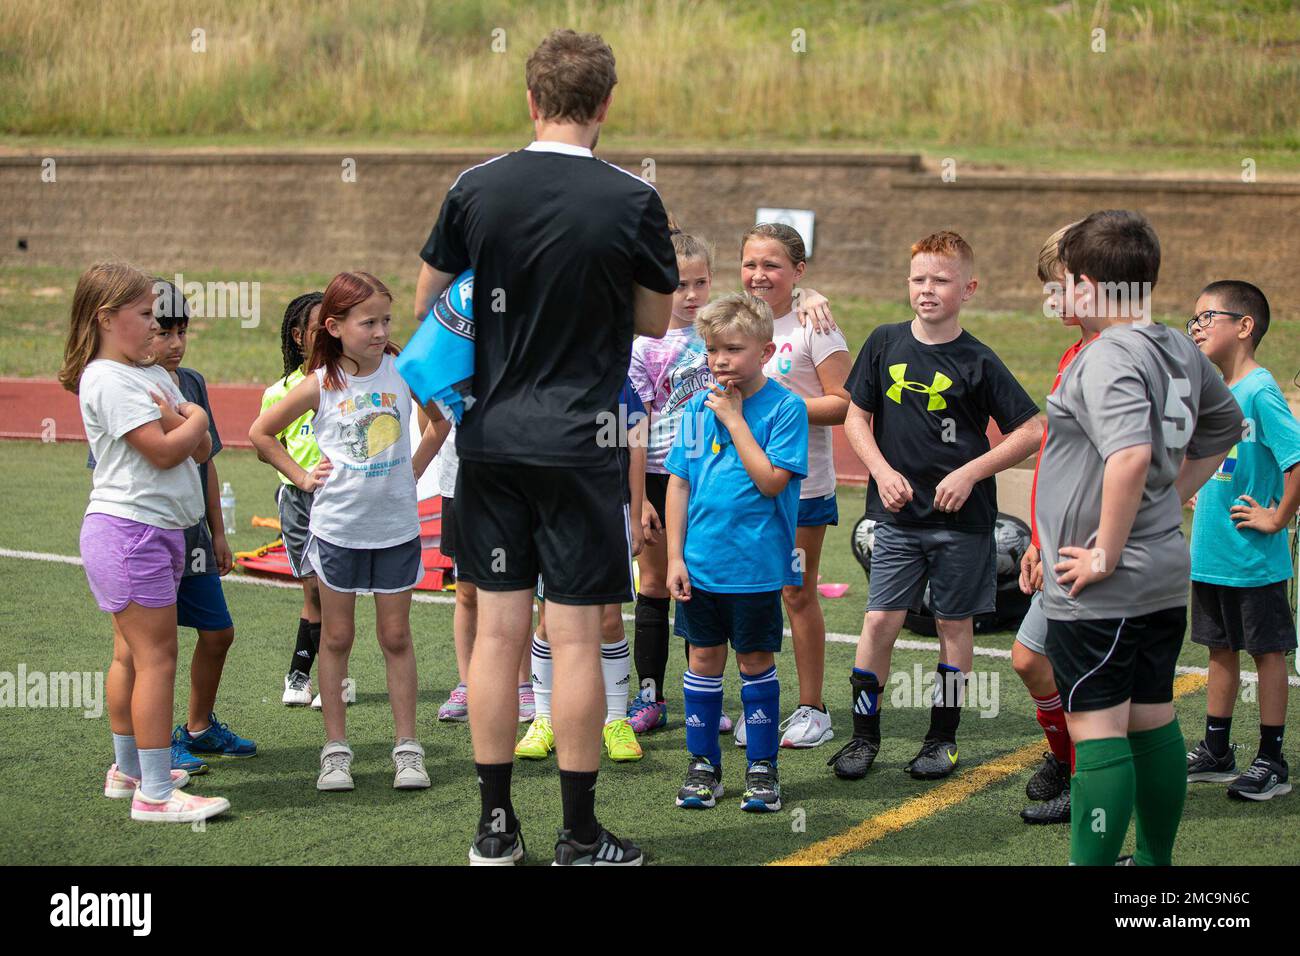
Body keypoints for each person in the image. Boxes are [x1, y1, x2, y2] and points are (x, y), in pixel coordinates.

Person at [414, 29, 676, 865]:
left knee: (496, 636)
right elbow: (655, 321)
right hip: (583, 441)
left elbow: (431, 308)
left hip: (490, 439)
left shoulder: (476, 186)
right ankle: (578, 833)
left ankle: (494, 828)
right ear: (605, 106)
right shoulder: (634, 199)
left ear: (530, 101)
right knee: (573, 640)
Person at [1035, 210, 1241, 865]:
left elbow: (1126, 455)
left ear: (1091, 283)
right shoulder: (1179, 346)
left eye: (1065, 280)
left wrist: (1104, 550)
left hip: (1106, 584)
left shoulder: (1106, 357)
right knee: (1151, 721)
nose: (1058, 294)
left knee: (1096, 731)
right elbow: (1223, 426)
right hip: (1161, 574)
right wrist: (1170, 497)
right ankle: (1154, 867)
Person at [829, 231, 1043, 782]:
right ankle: (863, 737)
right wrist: (880, 471)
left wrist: (971, 473)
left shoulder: (979, 360)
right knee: (879, 622)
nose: (928, 290)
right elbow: (856, 417)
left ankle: (941, 740)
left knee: (954, 625)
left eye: (941, 280)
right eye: (919, 279)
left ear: (967, 288)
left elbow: (1032, 430)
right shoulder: (883, 342)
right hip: (896, 519)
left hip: (963, 525)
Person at [249, 271, 446, 793]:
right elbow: (261, 433)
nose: (381, 331)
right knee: (336, 638)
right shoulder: (320, 383)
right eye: (368, 322)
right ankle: (335, 752)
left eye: (385, 320)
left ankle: (408, 749)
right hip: (337, 531)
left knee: (396, 637)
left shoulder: (403, 372)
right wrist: (300, 475)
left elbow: (439, 424)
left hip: (396, 530)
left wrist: (414, 469)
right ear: (334, 326)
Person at [62, 260, 229, 824]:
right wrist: (197, 416)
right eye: (144, 315)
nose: (156, 327)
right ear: (108, 319)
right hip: (131, 532)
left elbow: (198, 451)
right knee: (156, 659)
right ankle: (154, 793)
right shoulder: (106, 377)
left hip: (157, 532)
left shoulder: (150, 373)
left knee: (134, 656)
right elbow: (163, 450)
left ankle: (128, 771)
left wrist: (189, 428)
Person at [666, 292, 808, 813]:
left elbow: (772, 481)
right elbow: (679, 484)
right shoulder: (696, 409)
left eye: (733, 348)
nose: (720, 360)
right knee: (703, 660)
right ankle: (703, 766)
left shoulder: (786, 408)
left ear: (765, 352)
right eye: (711, 350)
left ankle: (762, 769)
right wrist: (675, 558)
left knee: (754, 661)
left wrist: (734, 419)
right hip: (700, 566)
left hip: (754, 569)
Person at [1185, 280, 1298, 801]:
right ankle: (1217, 751)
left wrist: (1277, 518)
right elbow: (1227, 462)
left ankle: (1272, 761)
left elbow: (1296, 458)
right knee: (1220, 650)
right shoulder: (1222, 391)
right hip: (1212, 556)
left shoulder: (1261, 389)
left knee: (1268, 654)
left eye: (1208, 317)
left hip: (1254, 559)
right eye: (1195, 319)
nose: (1198, 327)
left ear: (1244, 326)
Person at [745, 222, 850, 750]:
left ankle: (814, 709)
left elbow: (841, 402)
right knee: (750, 592)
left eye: (772, 266)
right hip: (741, 487)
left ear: (798, 272)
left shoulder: (817, 322)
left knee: (796, 592)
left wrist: (775, 409)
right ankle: (758, 703)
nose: (759, 275)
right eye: (750, 264)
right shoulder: (740, 322)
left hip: (803, 491)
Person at [518, 377, 649, 762]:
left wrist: (636, 513)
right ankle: (544, 720)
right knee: (550, 619)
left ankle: (615, 720)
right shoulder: (541, 376)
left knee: (609, 620)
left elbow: (636, 444)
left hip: (610, 513)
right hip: (553, 516)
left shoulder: (617, 380)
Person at [1014, 222, 1092, 826]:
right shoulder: (1073, 353)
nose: (1053, 299)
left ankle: (1088, 782)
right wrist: (1038, 539)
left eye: (1060, 286)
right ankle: (1066, 759)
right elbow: (1055, 456)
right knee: (1029, 658)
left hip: (1096, 549)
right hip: (1060, 541)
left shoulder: (1124, 354)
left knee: (1095, 679)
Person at [264, 292, 328, 708]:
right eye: (319, 327)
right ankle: (300, 675)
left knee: (333, 588)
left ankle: (332, 678)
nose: (328, 335)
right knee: (313, 590)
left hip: (341, 501)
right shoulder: (279, 393)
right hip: (298, 502)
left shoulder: (347, 385)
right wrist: (302, 479)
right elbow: (266, 442)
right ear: (299, 336)